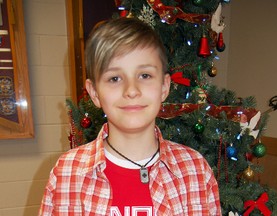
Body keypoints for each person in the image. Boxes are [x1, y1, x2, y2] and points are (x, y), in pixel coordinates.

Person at [39, 17, 221, 216]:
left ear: (164, 86)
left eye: (145, 75)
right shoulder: (67, 173)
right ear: (94, 93)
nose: (131, 90)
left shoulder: (195, 170)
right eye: (114, 78)